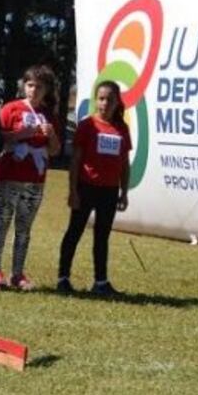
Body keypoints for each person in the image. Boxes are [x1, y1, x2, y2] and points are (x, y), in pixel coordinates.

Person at [0, 65, 61, 290]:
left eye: (39, 87)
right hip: (9, 176)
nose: (34, 91)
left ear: (46, 89)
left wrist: (52, 135)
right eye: (30, 85)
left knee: (24, 228)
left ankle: (17, 274)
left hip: (35, 180)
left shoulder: (50, 116)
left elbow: (55, 151)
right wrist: (22, 135)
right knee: (1, 223)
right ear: (23, 85)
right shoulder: (10, 109)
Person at [57, 80, 131, 296]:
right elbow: (76, 160)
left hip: (109, 191)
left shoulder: (122, 128)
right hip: (86, 187)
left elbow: (124, 163)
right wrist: (73, 190)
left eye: (110, 99)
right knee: (74, 232)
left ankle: (100, 282)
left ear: (118, 102)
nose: (105, 103)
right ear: (95, 100)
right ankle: (63, 278)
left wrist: (124, 192)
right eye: (101, 98)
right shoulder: (87, 125)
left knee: (102, 236)